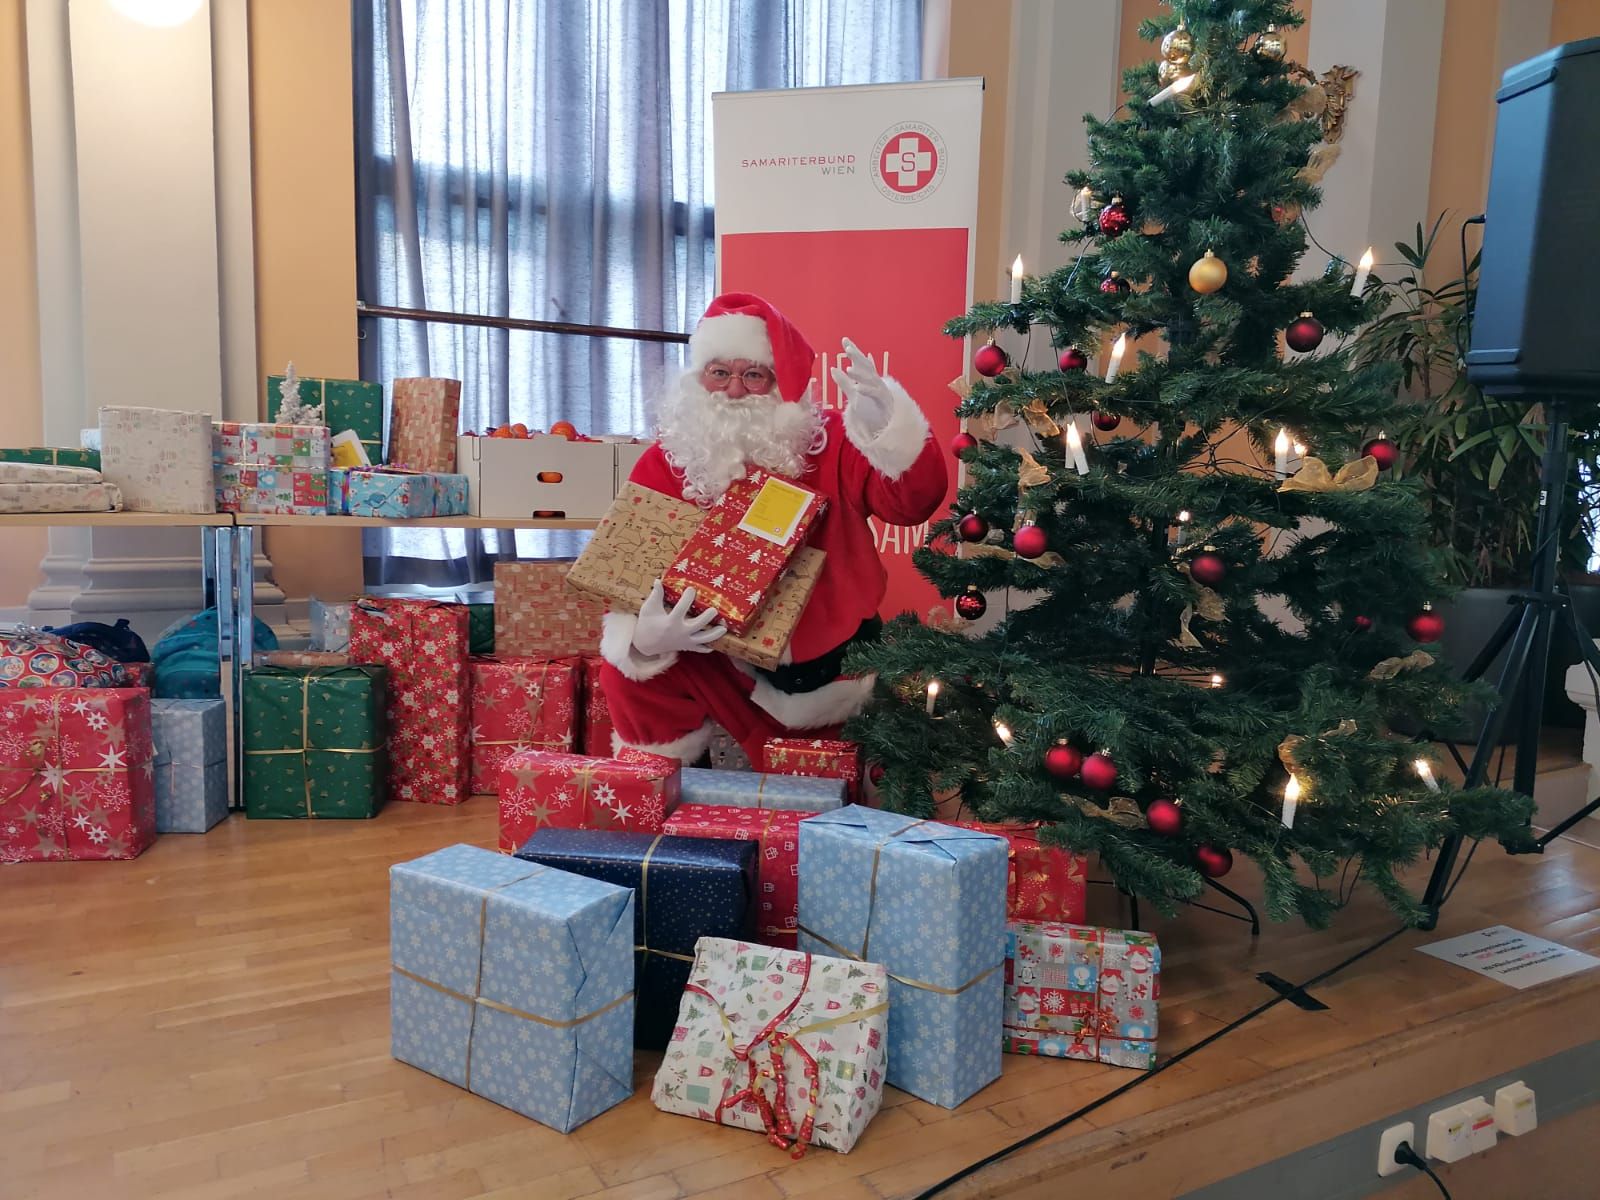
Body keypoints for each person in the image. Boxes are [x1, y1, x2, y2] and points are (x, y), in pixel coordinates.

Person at [597, 292, 948, 762]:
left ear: (783, 385)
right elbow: (625, 565)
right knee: (627, 673)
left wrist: (889, 431)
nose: (734, 390)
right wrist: (643, 636)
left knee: (821, 798)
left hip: (829, 664)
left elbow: (913, 505)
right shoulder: (672, 456)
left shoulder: (834, 441)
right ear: (699, 379)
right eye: (719, 372)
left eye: (753, 375)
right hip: (719, 658)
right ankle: (658, 796)